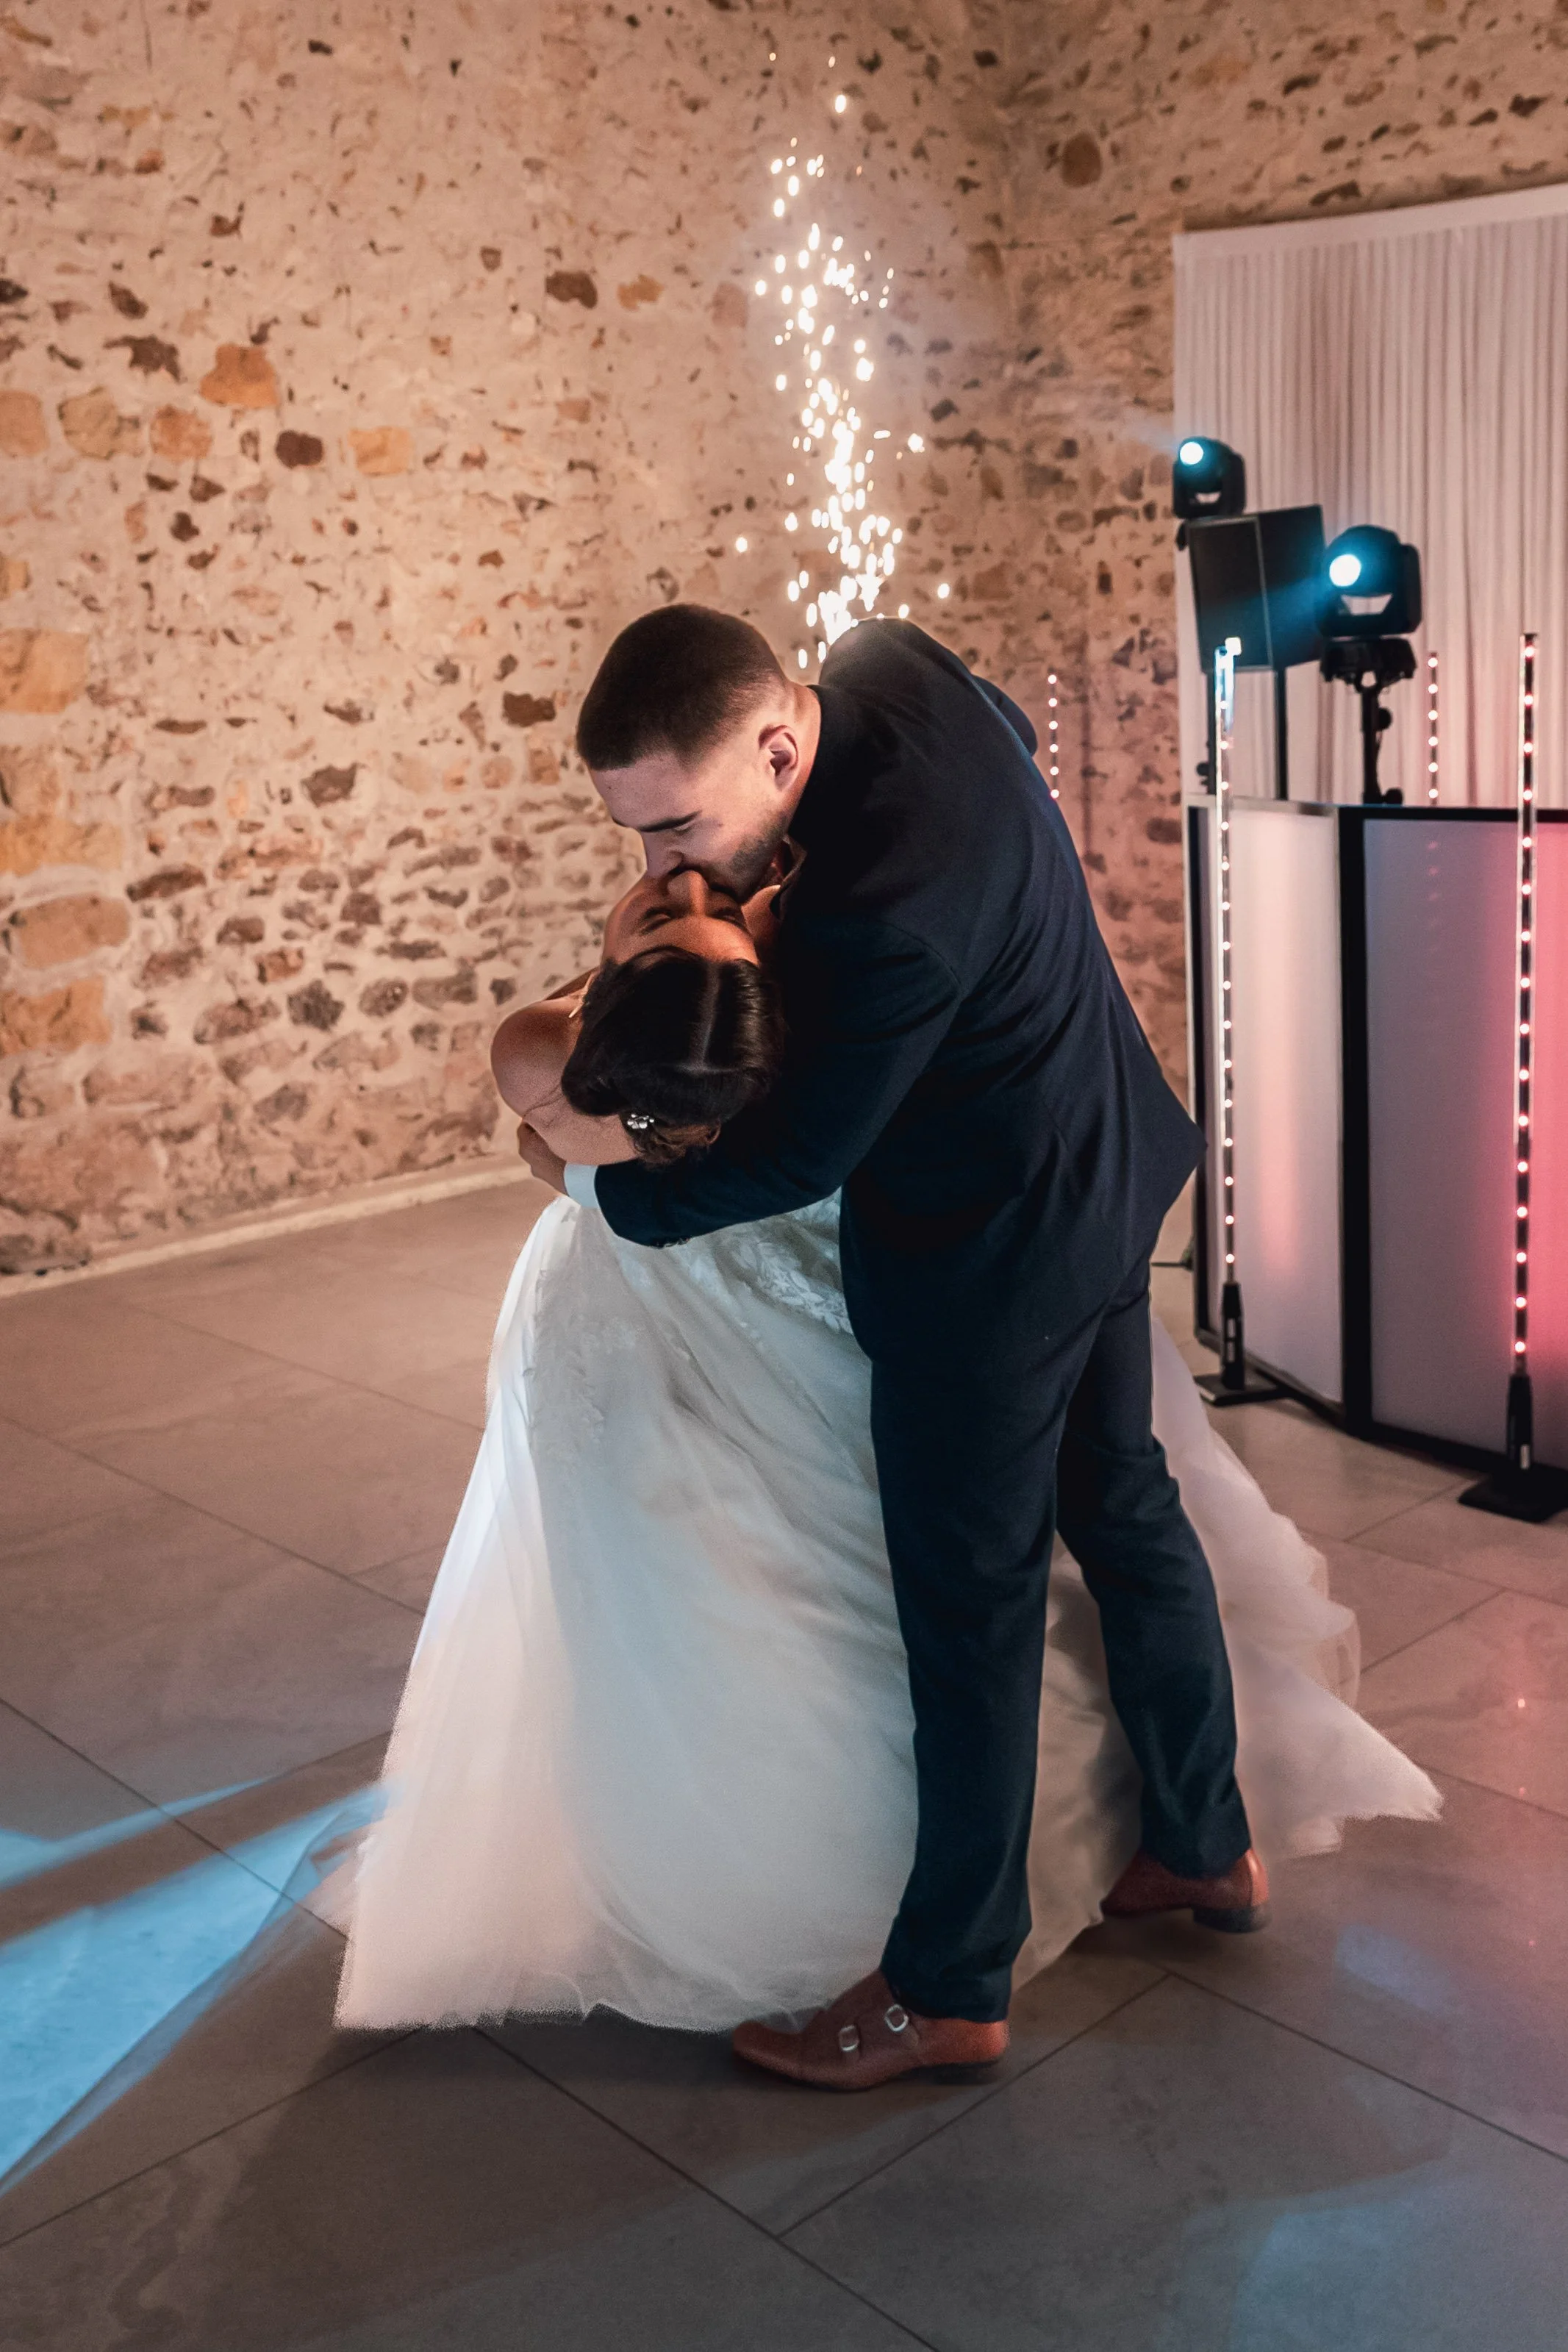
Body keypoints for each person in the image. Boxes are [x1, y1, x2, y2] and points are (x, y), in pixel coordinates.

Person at [334, 614, 1439, 2084]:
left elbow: (800, 1156)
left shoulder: (881, 914)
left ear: (776, 748)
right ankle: (1202, 1841)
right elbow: (1010, 738)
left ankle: (947, 1986)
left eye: (676, 823)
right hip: (1102, 1162)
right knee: (1127, 1512)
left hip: (987, 1261)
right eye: (633, 828)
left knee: (968, 1613)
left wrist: (606, 1197)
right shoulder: (892, 665)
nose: (657, 860)